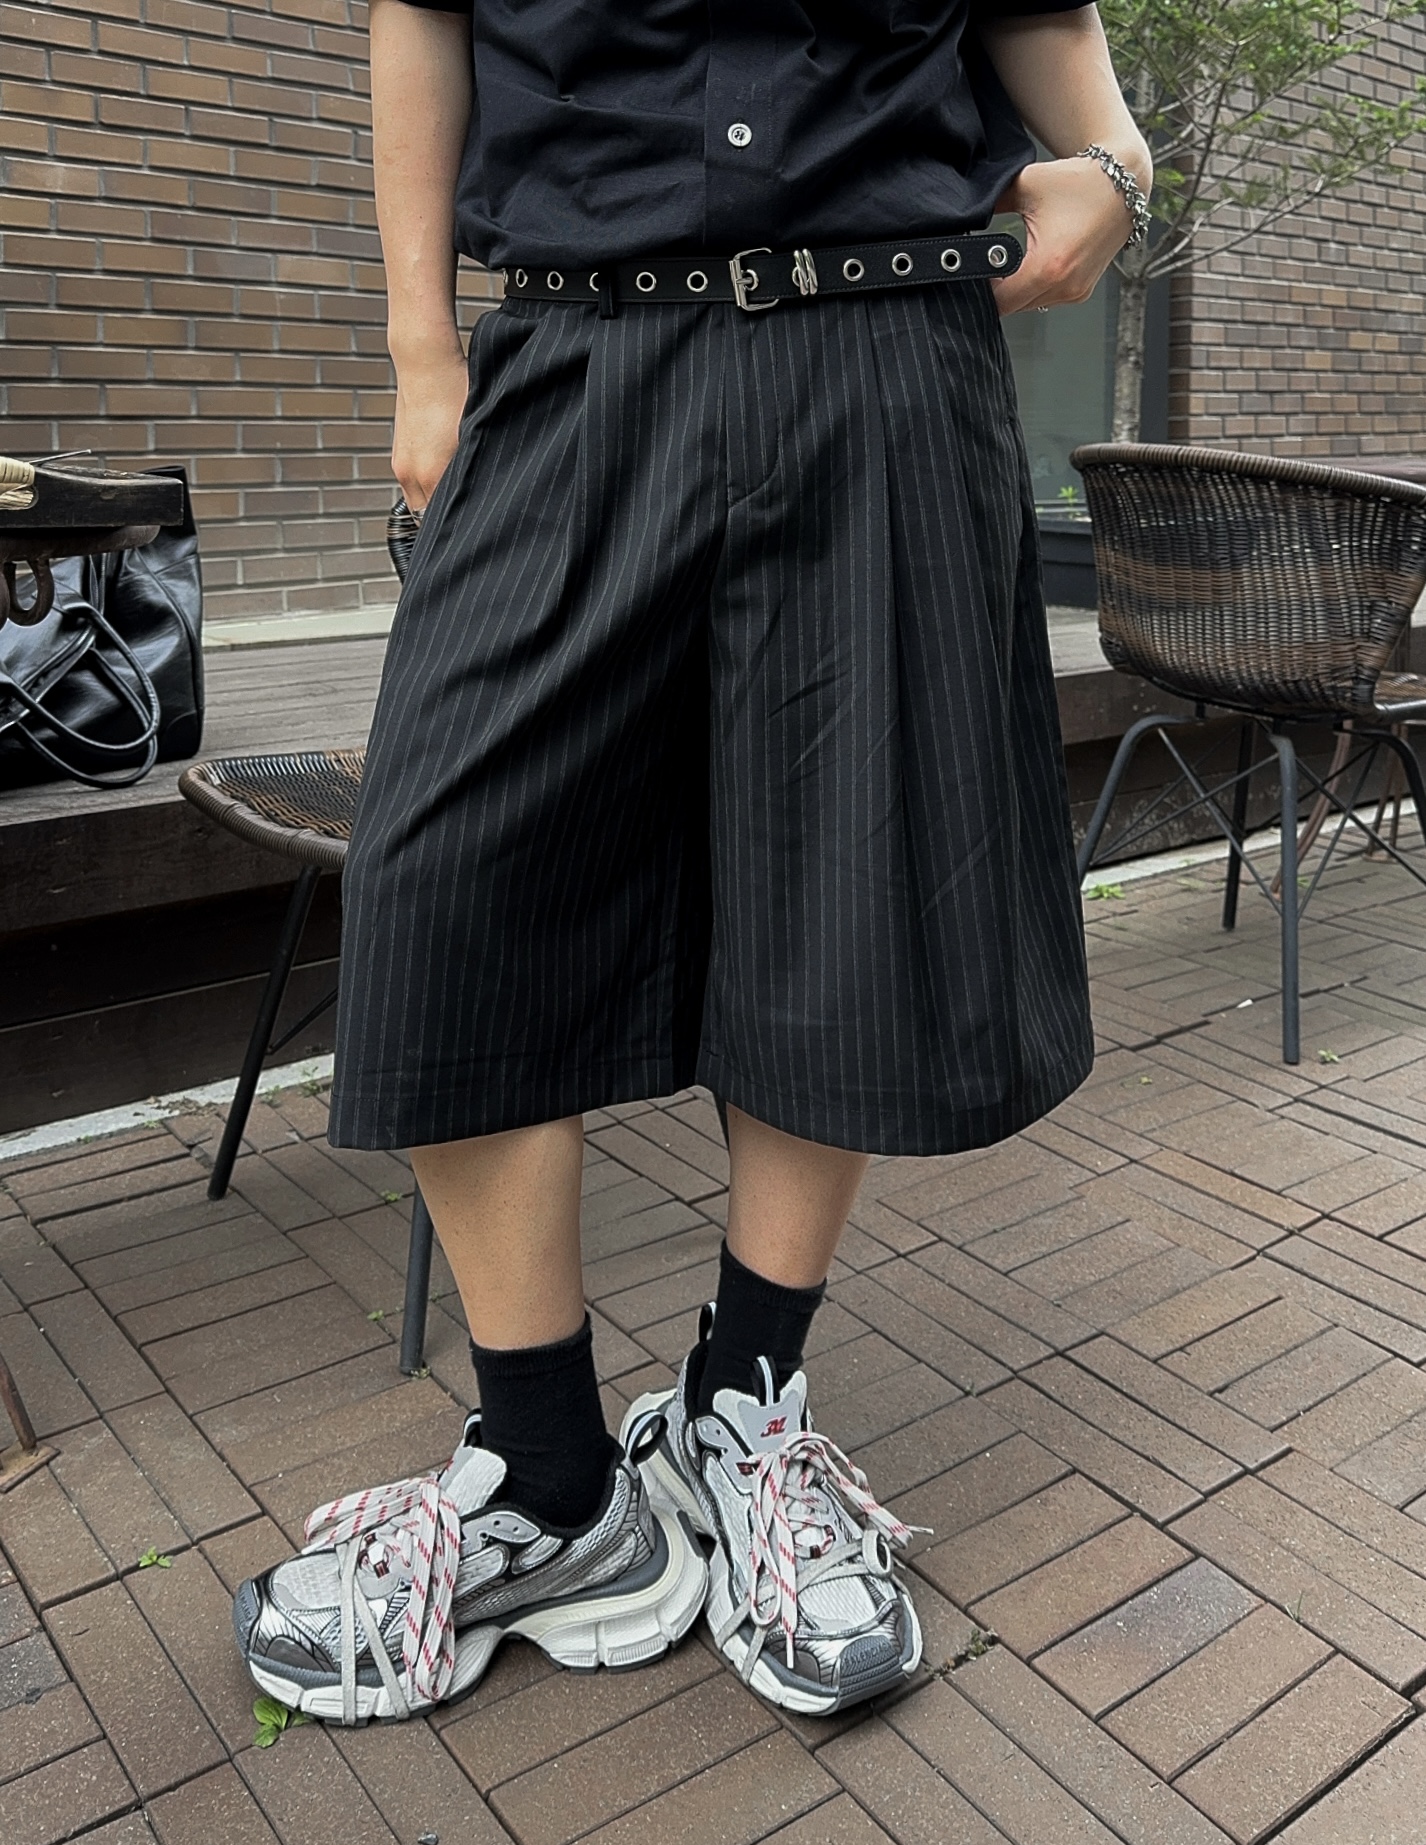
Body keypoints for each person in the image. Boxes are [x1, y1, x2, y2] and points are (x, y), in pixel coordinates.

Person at [232, 0, 1149, 1724]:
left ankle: (743, 1405)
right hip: (571, 355)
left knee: (840, 888)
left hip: (882, 357)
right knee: (443, 882)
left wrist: (1113, 161)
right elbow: (422, 10)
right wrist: (422, 353)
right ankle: (549, 1481)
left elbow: (1053, 38)